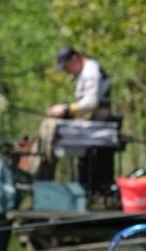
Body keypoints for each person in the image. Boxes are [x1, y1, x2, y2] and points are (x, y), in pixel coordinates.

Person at [30, 46, 112, 179]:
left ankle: (43, 176)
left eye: (67, 67)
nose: (67, 71)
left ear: (75, 59)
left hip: (99, 124)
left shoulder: (90, 71)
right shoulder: (85, 72)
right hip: (90, 124)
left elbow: (91, 102)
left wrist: (66, 109)